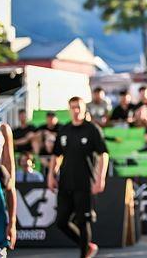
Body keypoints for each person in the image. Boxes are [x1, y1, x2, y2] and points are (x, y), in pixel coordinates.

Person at [47, 97, 109, 258]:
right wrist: (51, 175)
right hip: (65, 183)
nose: (76, 110)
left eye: (78, 107)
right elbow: (56, 155)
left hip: (84, 183)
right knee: (61, 222)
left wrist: (100, 178)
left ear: (84, 108)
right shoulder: (64, 130)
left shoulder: (92, 129)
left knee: (83, 221)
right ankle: (87, 246)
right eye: (73, 107)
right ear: (69, 109)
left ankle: (84, 254)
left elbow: (103, 154)